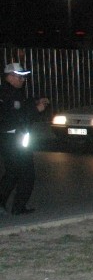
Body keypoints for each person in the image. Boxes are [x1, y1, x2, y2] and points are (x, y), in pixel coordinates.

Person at [0, 62, 50, 215]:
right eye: (20, 77)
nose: (23, 80)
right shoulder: (6, 94)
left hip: (15, 138)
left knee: (13, 172)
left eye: (23, 77)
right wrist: (36, 109)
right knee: (27, 173)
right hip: (12, 138)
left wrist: (35, 101)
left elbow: (22, 105)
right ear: (10, 77)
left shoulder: (12, 92)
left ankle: (6, 204)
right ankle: (18, 207)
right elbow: (14, 117)